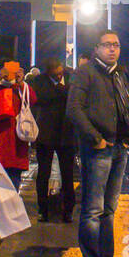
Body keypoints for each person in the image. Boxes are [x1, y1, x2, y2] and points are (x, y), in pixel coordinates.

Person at [67, 29, 129, 257]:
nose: (112, 49)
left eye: (116, 45)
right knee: (93, 210)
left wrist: (128, 136)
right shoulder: (86, 72)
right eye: (107, 45)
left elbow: (126, 106)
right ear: (96, 48)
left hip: (119, 146)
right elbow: (74, 109)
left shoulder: (119, 73)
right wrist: (95, 138)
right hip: (98, 147)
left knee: (109, 209)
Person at [29, 58, 76, 222]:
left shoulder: (71, 78)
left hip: (66, 134)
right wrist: (62, 90)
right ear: (49, 72)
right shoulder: (39, 81)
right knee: (43, 173)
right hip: (46, 134)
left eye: (60, 72)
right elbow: (40, 98)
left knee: (68, 174)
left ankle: (68, 209)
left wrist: (61, 90)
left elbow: (74, 97)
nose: (58, 76)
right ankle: (43, 209)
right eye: (55, 74)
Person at [0, 60, 37, 190]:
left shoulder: (20, 88)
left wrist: (21, 82)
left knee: (12, 190)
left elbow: (32, 99)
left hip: (16, 147)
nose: (10, 74)